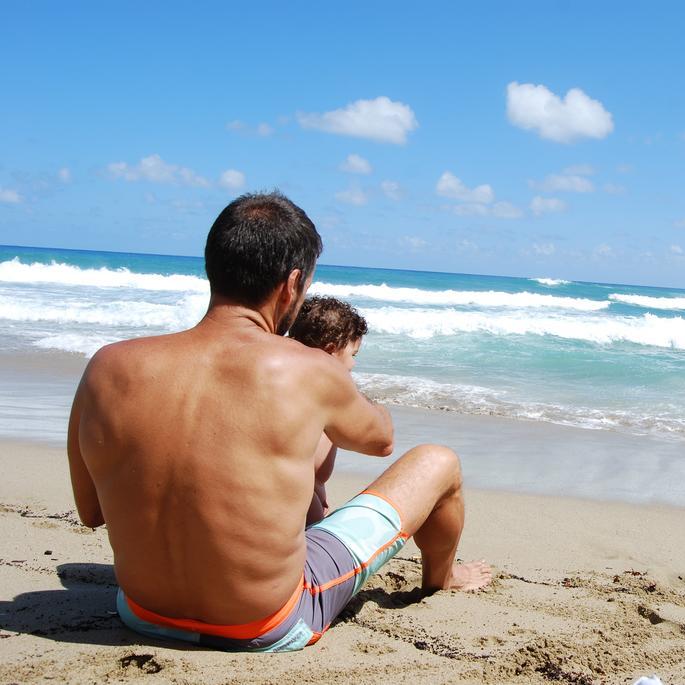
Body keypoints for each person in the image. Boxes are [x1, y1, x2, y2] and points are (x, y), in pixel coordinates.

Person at [66, 192, 491, 652]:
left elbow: (92, 514)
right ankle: (443, 578)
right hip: (268, 622)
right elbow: (381, 440)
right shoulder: (307, 369)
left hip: (141, 613)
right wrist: (338, 381)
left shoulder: (107, 367)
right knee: (438, 461)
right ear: (291, 285)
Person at [287, 295, 368, 525]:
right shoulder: (320, 400)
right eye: (353, 355)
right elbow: (318, 470)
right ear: (331, 352)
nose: (353, 364)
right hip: (302, 523)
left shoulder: (287, 386)